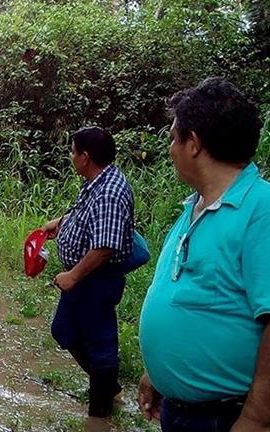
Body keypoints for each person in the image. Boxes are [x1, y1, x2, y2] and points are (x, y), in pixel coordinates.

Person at [137, 78, 270, 431]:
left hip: (226, 416)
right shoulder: (193, 208)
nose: (170, 149)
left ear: (193, 144)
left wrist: (257, 417)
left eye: (172, 138)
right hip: (183, 410)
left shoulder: (262, 209)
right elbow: (189, 300)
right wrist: (159, 372)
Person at [42, 126, 134, 431]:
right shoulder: (95, 182)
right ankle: (107, 386)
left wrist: (73, 275)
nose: (70, 156)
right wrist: (61, 222)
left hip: (95, 278)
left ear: (85, 156)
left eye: (72, 151)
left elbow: (105, 247)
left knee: (100, 344)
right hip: (82, 278)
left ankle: (99, 416)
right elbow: (85, 215)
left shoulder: (109, 191)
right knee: (63, 329)